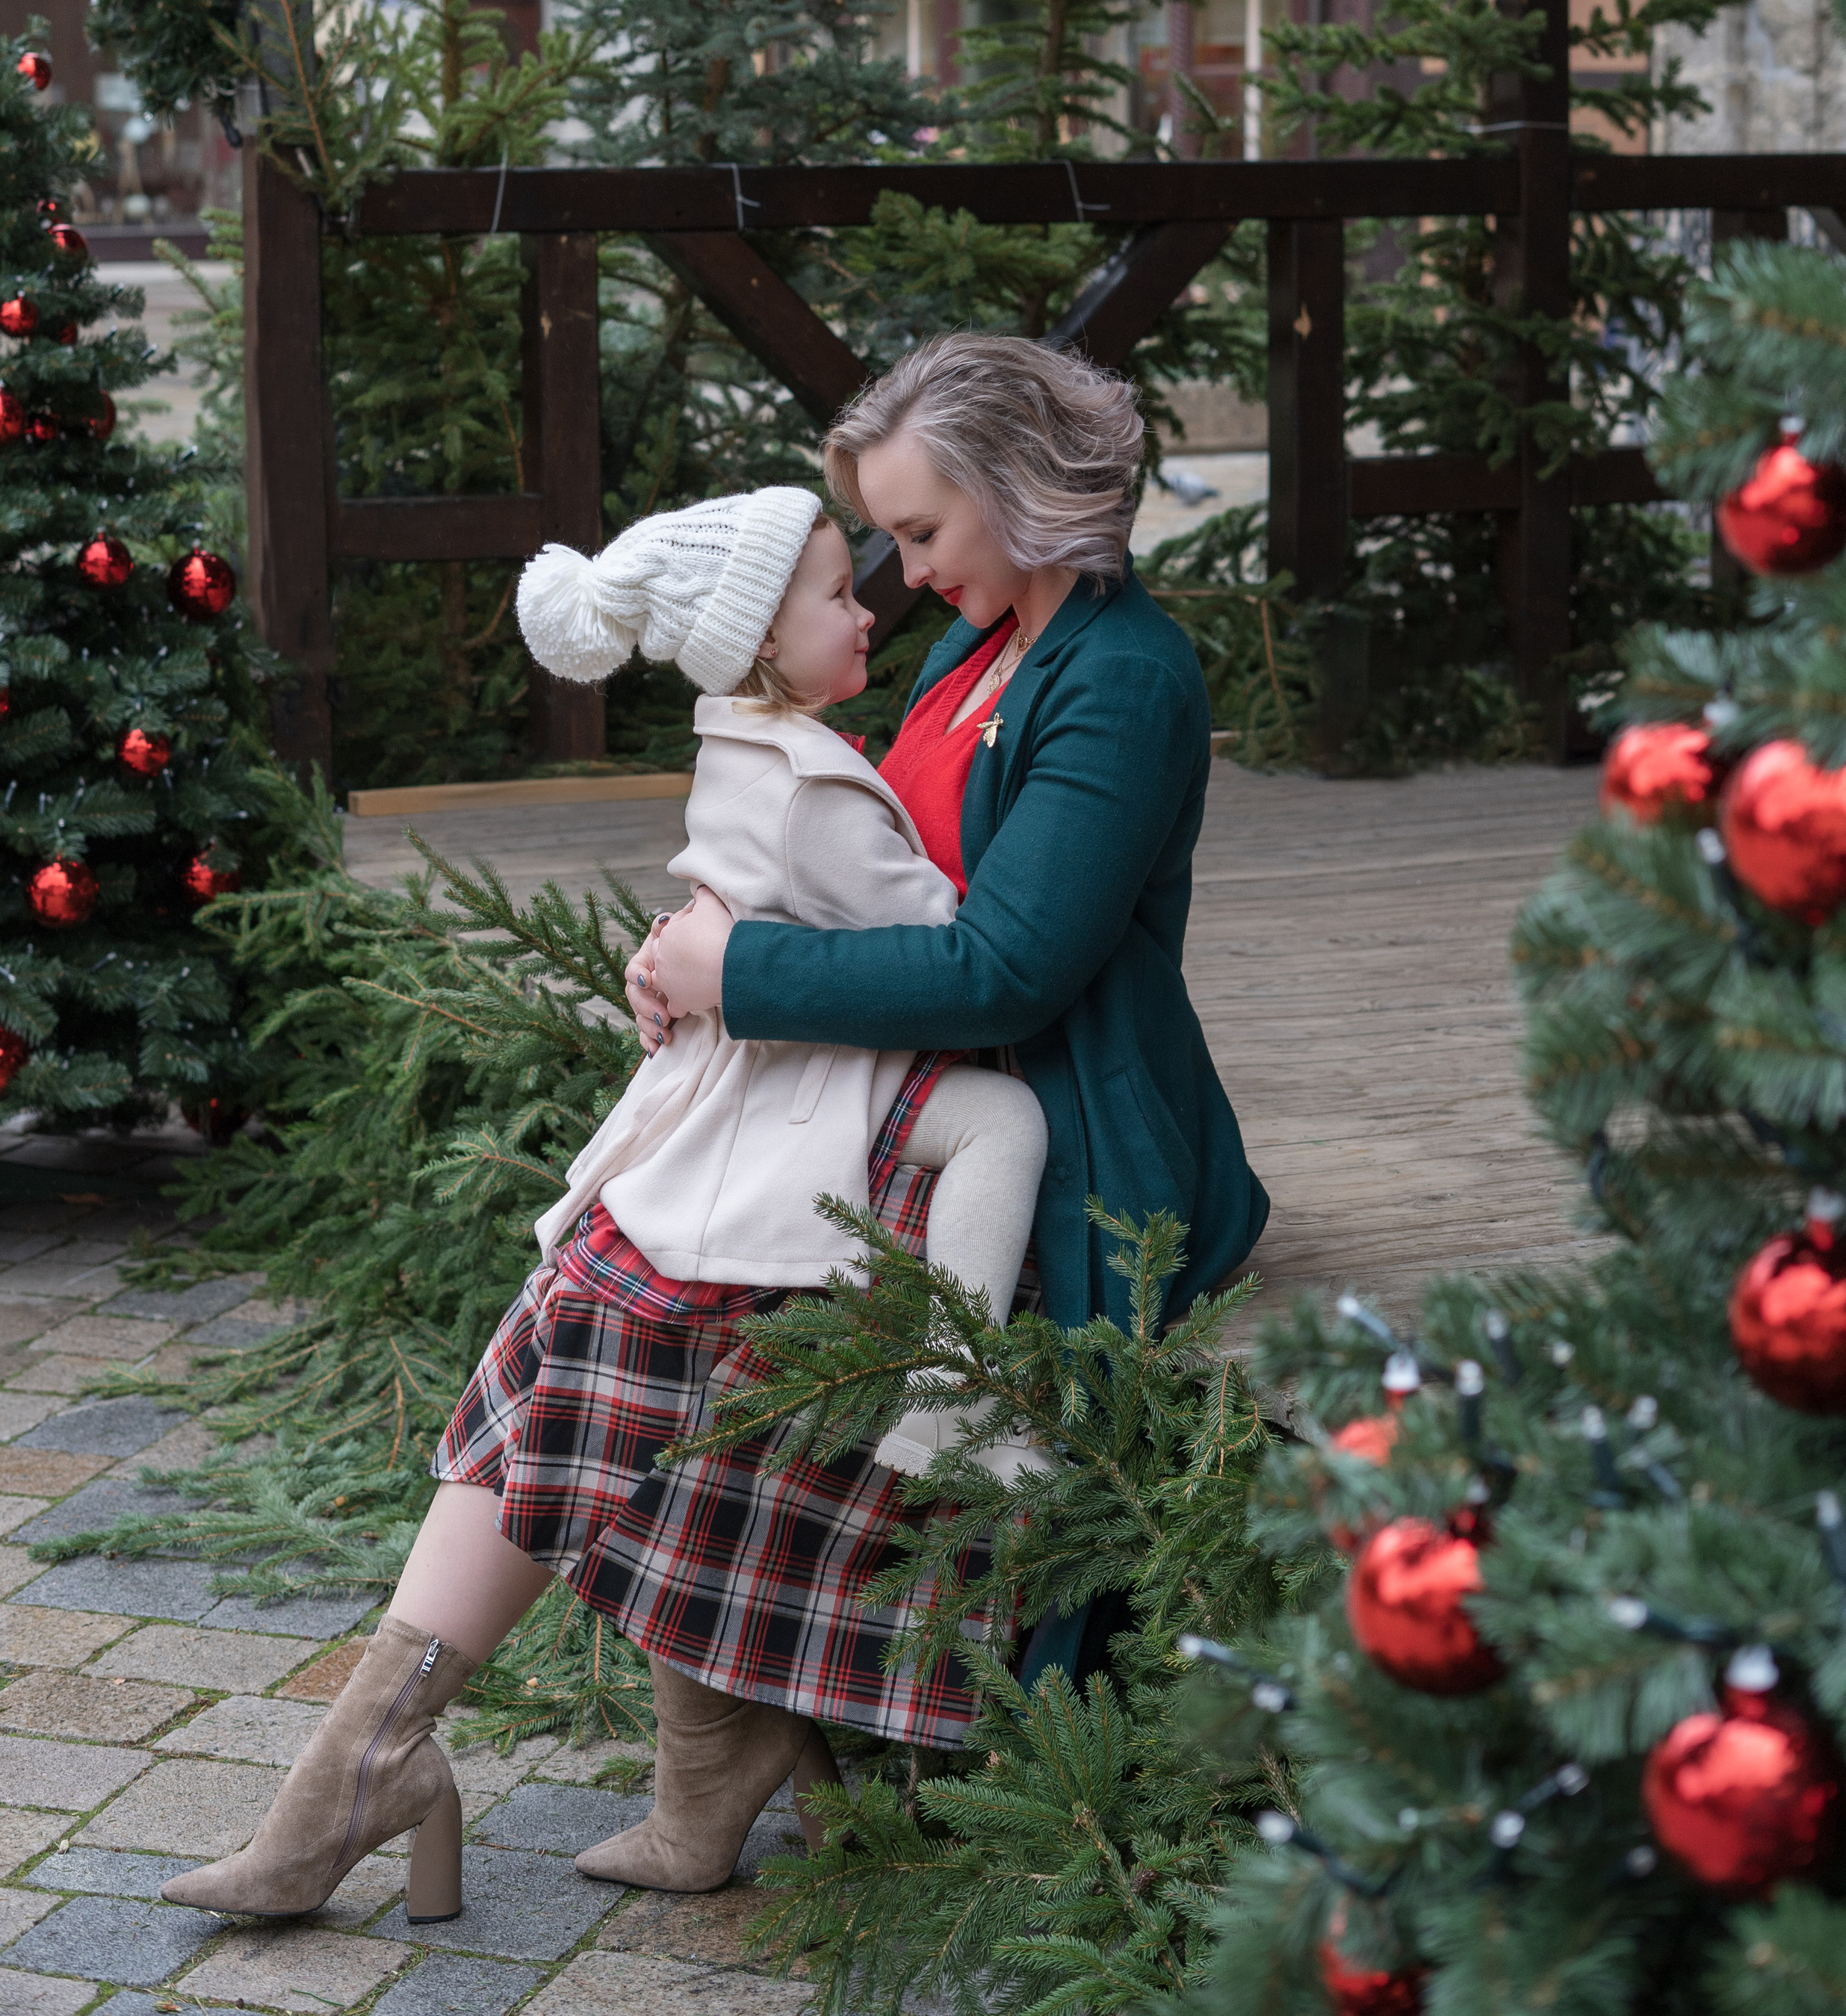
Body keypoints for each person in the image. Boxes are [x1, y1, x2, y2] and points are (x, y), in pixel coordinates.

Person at [161, 483, 1048, 1927]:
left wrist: (716, 948)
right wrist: (702, 951)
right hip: (788, 1104)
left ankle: (448, 1775)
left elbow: (902, 938)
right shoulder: (828, 749)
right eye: (842, 588)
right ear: (761, 640)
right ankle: (388, 1770)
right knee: (593, 1358)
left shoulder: (806, 739)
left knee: (627, 1366)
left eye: (899, 552)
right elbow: (913, 921)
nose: (879, 597)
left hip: (816, 1113)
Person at [639, 334, 1271, 1681]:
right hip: (936, 1099)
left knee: (639, 1325)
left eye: (922, 531)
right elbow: (857, 866)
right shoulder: (977, 645)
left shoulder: (1123, 678)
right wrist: (690, 941)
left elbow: (1007, 967)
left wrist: (738, 977)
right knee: (628, 1303)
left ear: (1021, 480)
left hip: (1074, 1130)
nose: (908, 575)